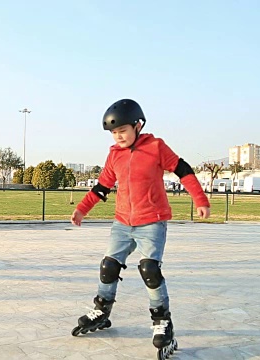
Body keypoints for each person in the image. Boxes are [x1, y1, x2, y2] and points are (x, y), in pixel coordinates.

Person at [70, 99, 210, 356]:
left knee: (150, 270)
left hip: (152, 220)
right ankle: (102, 310)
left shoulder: (156, 147)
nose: (118, 136)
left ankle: (162, 321)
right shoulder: (114, 155)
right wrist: (82, 209)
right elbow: (102, 187)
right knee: (108, 265)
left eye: (122, 130)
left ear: (138, 125)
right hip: (122, 222)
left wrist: (200, 200)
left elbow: (183, 170)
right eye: (113, 133)